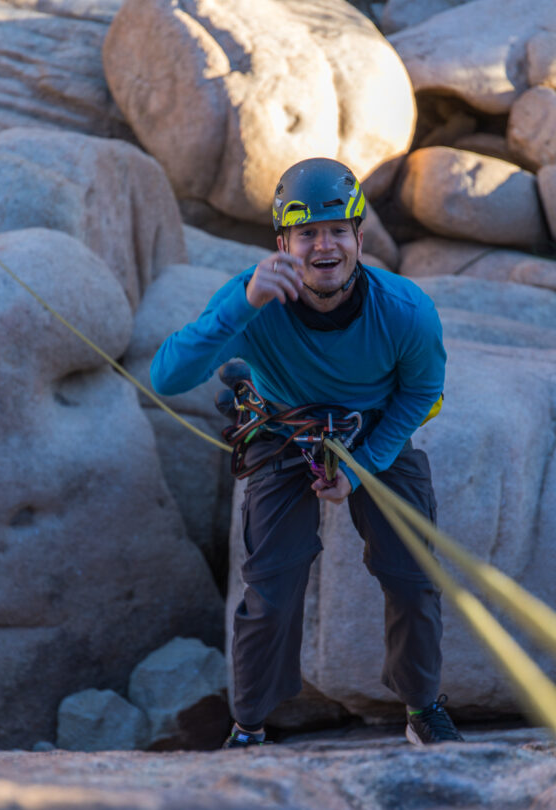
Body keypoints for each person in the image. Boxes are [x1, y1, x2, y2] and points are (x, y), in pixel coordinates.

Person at [150, 157, 463, 747]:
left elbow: (424, 391)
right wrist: (241, 302)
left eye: (337, 230)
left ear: (359, 238)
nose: (325, 246)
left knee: (412, 576)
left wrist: (364, 466)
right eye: (307, 233)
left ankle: (422, 710)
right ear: (283, 243)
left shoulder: (405, 310)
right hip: (281, 429)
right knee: (271, 584)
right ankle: (249, 726)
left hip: (373, 431)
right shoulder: (252, 299)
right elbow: (167, 376)